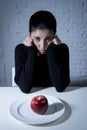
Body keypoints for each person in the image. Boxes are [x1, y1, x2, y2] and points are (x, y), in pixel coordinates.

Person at [14, 10, 70, 93]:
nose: (42, 46)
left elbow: (60, 87)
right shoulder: (21, 50)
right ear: (29, 35)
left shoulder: (62, 49)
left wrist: (51, 50)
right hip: (29, 98)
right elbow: (25, 88)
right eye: (37, 38)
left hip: (55, 96)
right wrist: (31, 51)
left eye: (48, 39)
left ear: (54, 36)